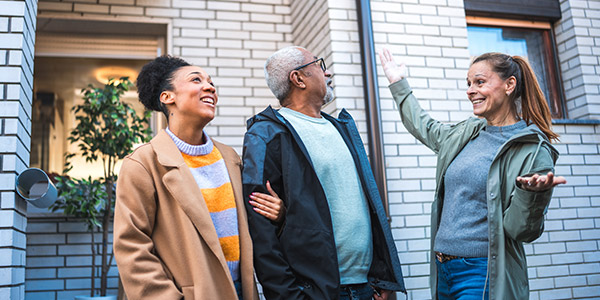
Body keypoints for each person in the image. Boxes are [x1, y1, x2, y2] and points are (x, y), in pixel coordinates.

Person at [378, 48, 567, 300]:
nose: (470, 90)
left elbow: (522, 232)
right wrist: (398, 83)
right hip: (443, 269)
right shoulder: (468, 133)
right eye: (469, 83)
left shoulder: (532, 149)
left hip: (481, 272)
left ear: (509, 85)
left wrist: (532, 195)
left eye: (479, 82)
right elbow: (424, 126)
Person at [242, 46, 406, 300]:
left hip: (367, 288)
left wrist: (381, 276)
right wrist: (289, 296)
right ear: (298, 79)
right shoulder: (265, 134)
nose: (328, 72)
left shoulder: (341, 128)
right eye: (319, 64)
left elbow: (366, 206)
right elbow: (261, 230)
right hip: (316, 293)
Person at [113, 55, 283, 300]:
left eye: (211, 82)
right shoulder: (143, 163)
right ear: (167, 97)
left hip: (242, 291)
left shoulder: (230, 157)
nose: (210, 87)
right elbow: (131, 246)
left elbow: (250, 225)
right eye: (196, 80)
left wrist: (279, 214)